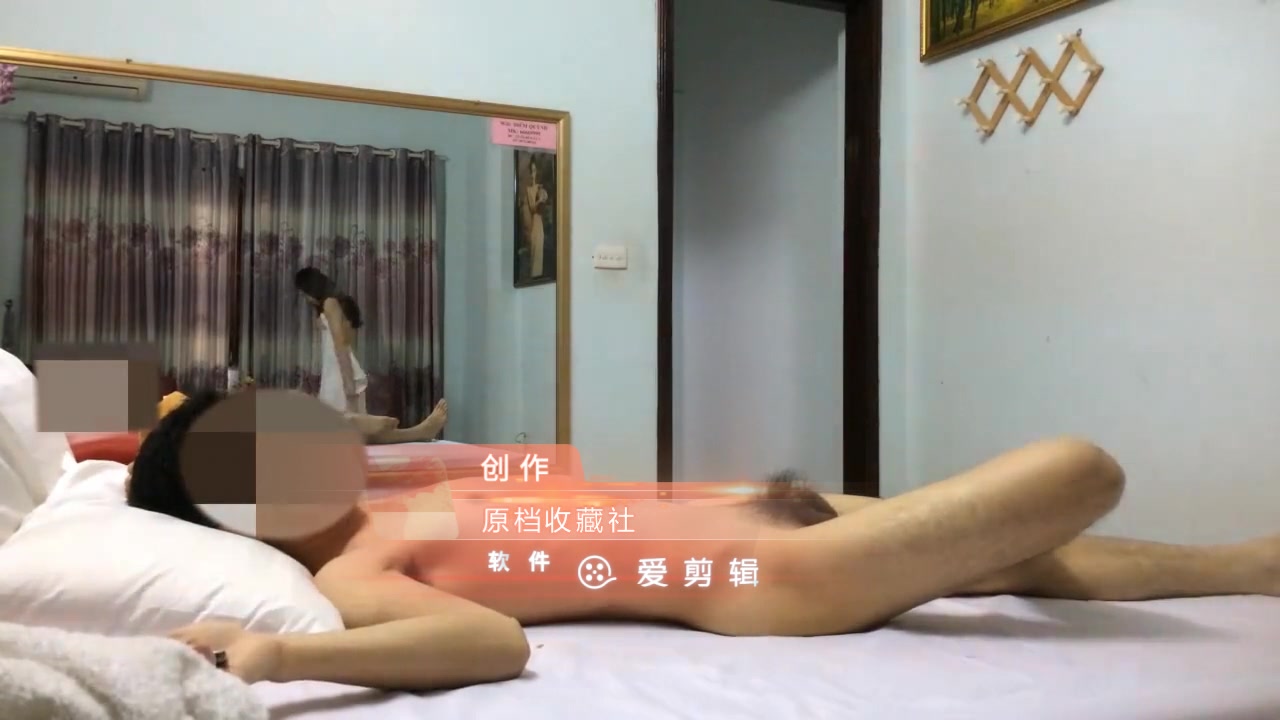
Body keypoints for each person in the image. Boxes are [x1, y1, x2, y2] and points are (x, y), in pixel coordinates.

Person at [128, 390, 1280, 691]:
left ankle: (1245, 568)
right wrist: (279, 656)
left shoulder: (394, 498)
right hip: (779, 575)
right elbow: (489, 644)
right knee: (1079, 470)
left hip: (771, 514)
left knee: (1010, 560)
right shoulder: (356, 569)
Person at [293, 267, 448, 444]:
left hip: (339, 374)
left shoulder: (330, 303)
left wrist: (349, 384)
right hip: (336, 373)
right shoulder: (336, 306)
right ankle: (416, 431)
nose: (305, 299)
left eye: (304, 293)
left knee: (344, 434)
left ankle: (407, 429)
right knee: (351, 434)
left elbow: (341, 346)